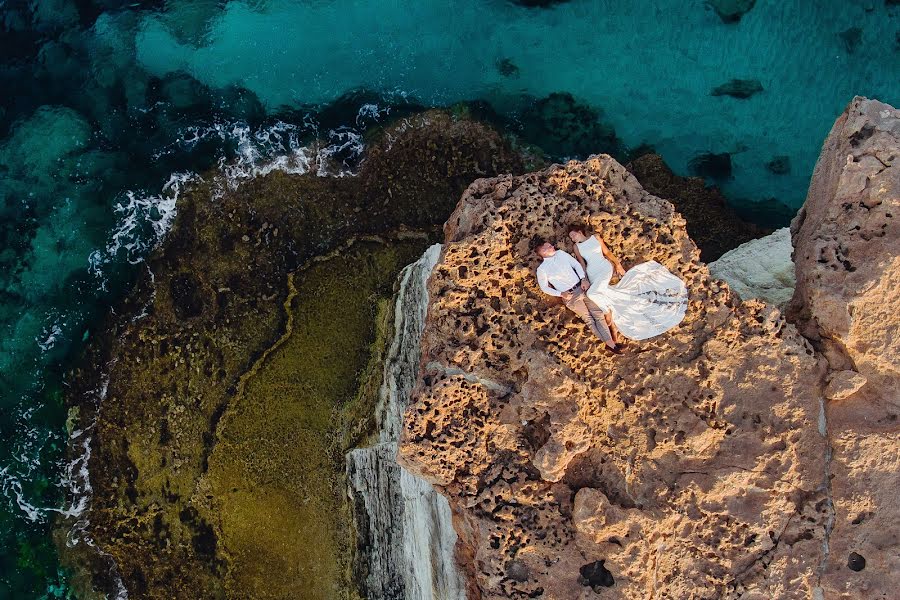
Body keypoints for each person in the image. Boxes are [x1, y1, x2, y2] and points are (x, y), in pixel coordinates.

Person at [569, 225, 688, 341]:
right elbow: (582, 264)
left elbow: (607, 253)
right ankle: (613, 328)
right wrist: (584, 278)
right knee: (605, 295)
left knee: (592, 293)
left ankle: (607, 312)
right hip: (592, 272)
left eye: (573, 235)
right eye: (571, 238)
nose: (573, 238)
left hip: (604, 267)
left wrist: (618, 264)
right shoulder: (576, 247)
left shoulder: (595, 237)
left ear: (579, 231)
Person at [534, 239, 618, 351]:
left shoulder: (561, 254)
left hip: (582, 287)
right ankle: (612, 345)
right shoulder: (542, 269)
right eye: (549, 246)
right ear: (543, 251)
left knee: (598, 314)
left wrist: (583, 279)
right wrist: (561, 294)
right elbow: (544, 288)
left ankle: (611, 344)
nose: (553, 246)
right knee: (589, 320)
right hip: (570, 296)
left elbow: (576, 265)